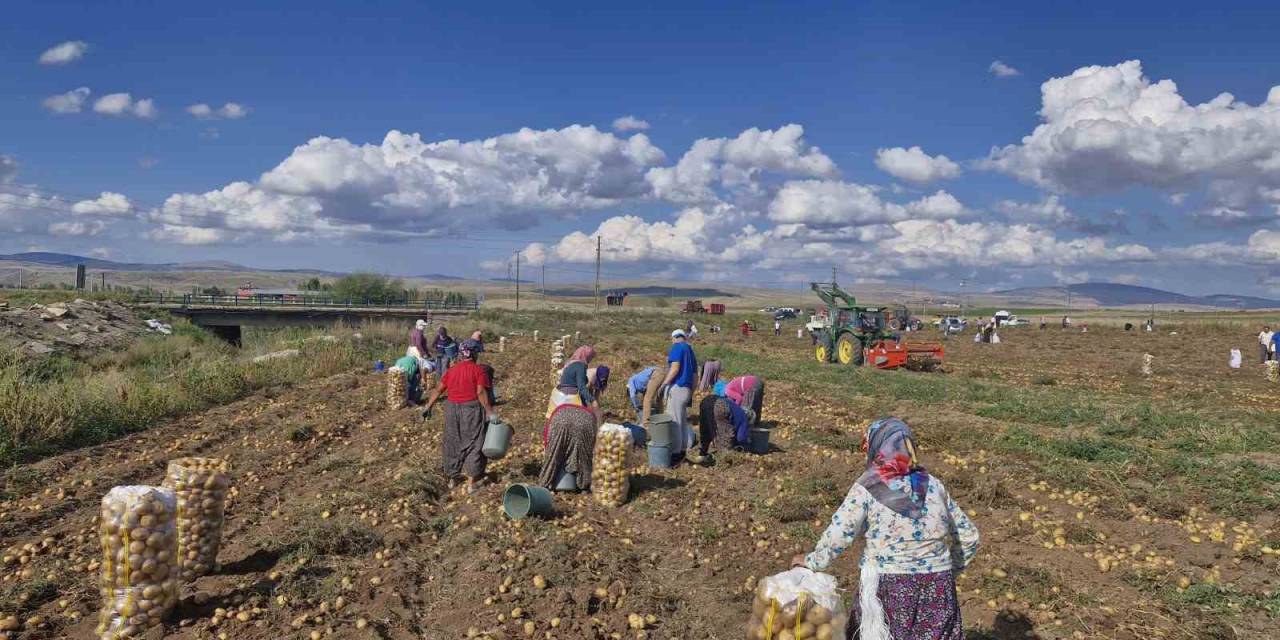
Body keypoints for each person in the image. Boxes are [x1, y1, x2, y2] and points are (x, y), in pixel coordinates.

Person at [795, 418, 979, 640]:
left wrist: (813, 561)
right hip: (938, 585)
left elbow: (840, 533)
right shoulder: (933, 484)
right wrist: (948, 572)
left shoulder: (869, 486)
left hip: (889, 586)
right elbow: (969, 536)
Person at [422, 339, 495, 494]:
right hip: (471, 409)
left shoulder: (452, 370)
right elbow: (481, 392)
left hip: (452, 409)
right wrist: (490, 412)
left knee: (452, 441)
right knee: (475, 442)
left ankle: (452, 479)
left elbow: (438, 389)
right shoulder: (479, 370)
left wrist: (428, 406)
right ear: (474, 353)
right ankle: (471, 483)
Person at [538, 403, 597, 491]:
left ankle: (544, 483)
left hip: (561, 418)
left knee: (553, 454)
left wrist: (549, 455)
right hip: (586, 420)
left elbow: (549, 443)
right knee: (584, 454)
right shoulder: (589, 414)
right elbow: (592, 448)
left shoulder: (553, 417)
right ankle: (584, 485)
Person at [661, 329, 697, 461]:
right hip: (686, 390)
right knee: (682, 421)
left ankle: (675, 455)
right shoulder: (690, 350)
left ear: (675, 337)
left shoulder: (677, 347)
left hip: (677, 388)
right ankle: (682, 451)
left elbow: (675, 368)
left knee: (675, 422)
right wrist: (690, 392)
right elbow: (695, 376)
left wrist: (664, 384)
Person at [695, 386, 749, 462]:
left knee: (705, 428)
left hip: (706, 401)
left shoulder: (737, 409)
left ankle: (702, 454)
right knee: (725, 434)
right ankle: (724, 459)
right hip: (720, 405)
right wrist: (747, 443)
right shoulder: (744, 417)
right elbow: (741, 437)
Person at [548, 346, 598, 417]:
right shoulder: (580, 366)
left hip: (558, 396)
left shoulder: (570, 364)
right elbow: (581, 388)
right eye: (590, 357)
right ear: (586, 356)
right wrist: (593, 400)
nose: (590, 360)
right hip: (569, 398)